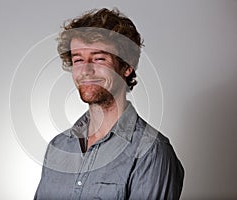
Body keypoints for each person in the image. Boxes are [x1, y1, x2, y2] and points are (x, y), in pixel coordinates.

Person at [34, 8, 184, 200]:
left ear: (127, 67)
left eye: (99, 59)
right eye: (78, 60)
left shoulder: (151, 151)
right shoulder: (59, 147)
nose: (86, 70)